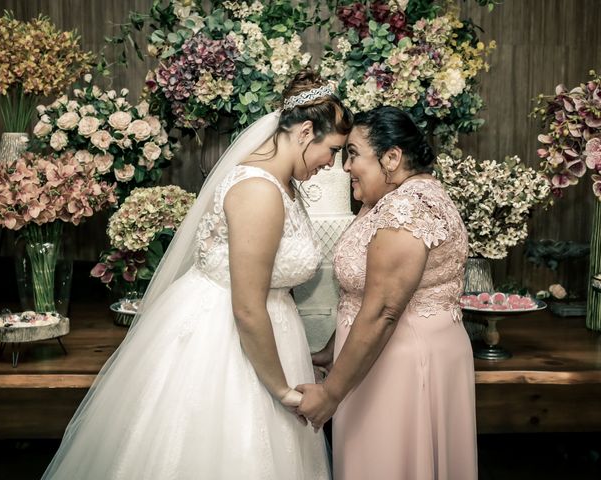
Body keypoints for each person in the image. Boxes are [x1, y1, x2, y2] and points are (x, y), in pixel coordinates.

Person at [42, 70, 353, 480]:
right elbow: (246, 307)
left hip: (271, 334)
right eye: (331, 150)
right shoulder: (258, 192)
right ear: (305, 131)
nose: (332, 164)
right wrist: (282, 391)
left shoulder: (284, 185)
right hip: (227, 341)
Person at [297, 106, 477, 480]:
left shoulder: (407, 209)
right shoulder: (394, 200)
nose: (345, 167)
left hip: (401, 367)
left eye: (353, 154)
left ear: (392, 157)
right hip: (384, 360)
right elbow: (365, 296)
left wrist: (329, 395)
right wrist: (331, 352)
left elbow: (383, 310)